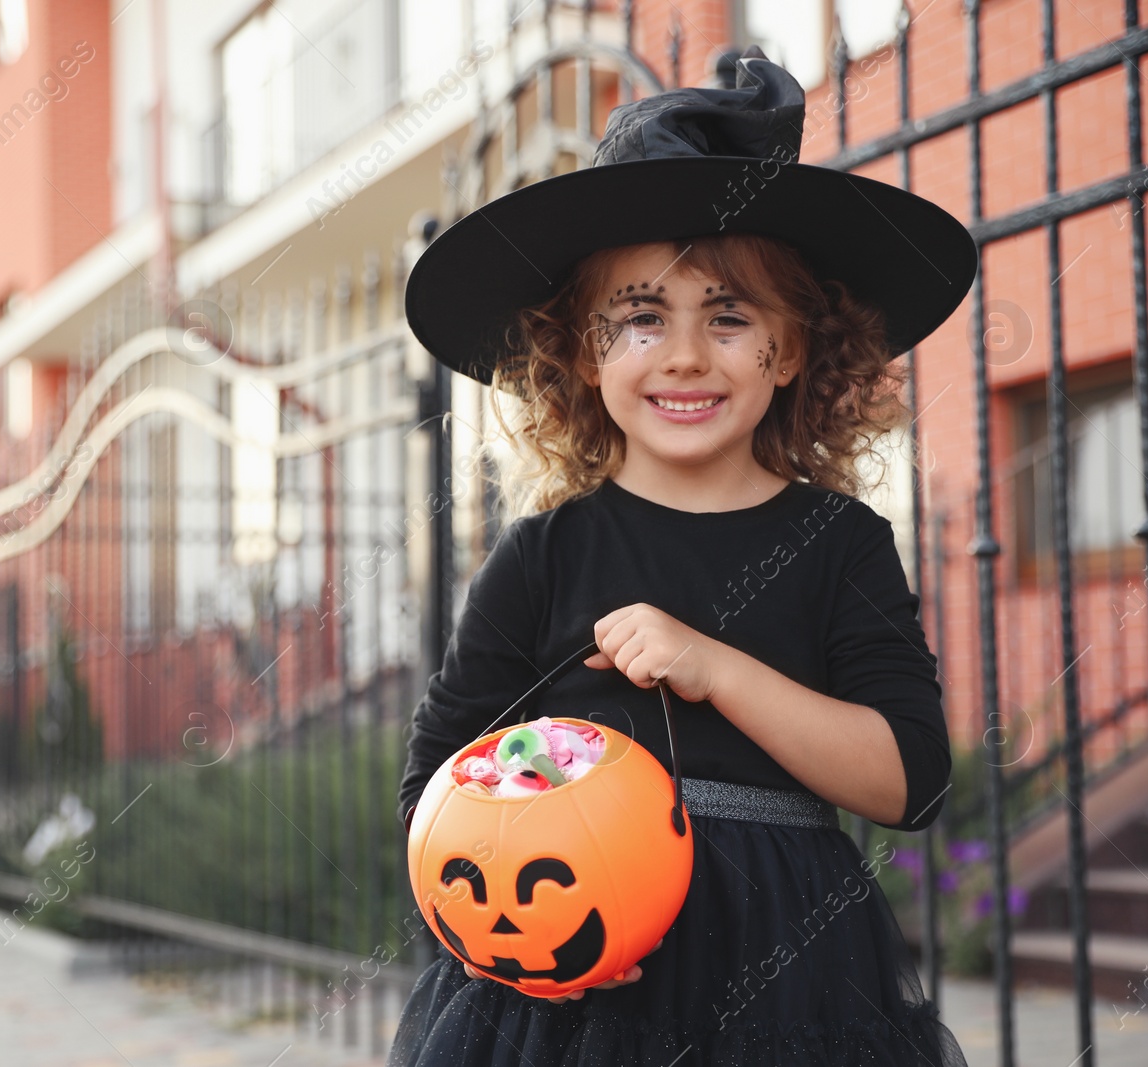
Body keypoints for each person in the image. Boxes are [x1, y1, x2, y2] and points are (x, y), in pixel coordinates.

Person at [389, 53, 974, 1067]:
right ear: (582, 353)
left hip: (788, 975)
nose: (686, 354)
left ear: (789, 352)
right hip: (568, 996)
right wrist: (525, 924)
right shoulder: (541, 558)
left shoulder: (838, 544)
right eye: (642, 318)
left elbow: (907, 782)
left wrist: (715, 667)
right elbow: (432, 789)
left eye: (731, 316)